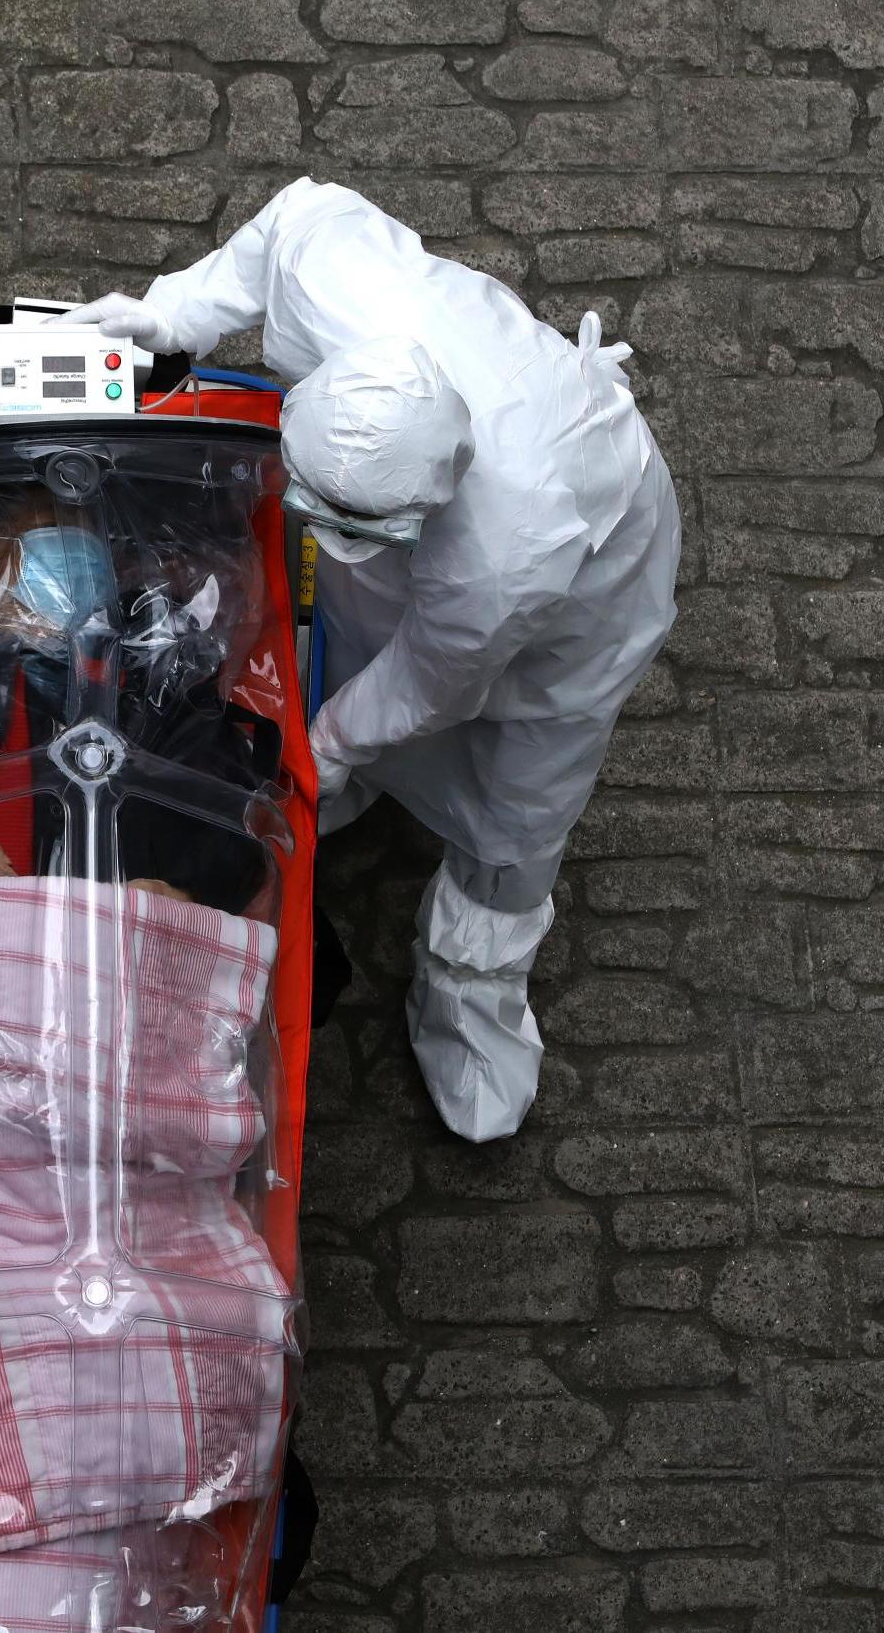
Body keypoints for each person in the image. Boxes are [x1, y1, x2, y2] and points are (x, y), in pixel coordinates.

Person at [61, 177, 681, 1143]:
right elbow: (281, 229)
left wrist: (326, 745)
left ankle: (472, 992)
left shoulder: (508, 555)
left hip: (588, 586)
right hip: (443, 551)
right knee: (349, 634)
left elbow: (429, 684)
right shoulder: (336, 274)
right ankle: (347, 794)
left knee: (523, 797)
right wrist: (167, 311)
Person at [0, 485, 280, 916]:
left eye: (88, 530)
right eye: (53, 527)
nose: (80, 547)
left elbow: (238, 832)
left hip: (113, 955)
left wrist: (185, 896)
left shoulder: (156, 661)